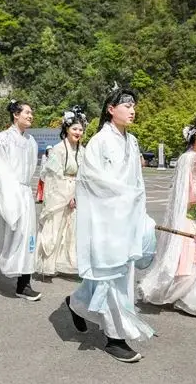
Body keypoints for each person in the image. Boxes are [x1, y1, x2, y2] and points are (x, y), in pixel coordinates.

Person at [65, 87, 157, 363]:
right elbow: (90, 180)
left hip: (127, 216)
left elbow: (138, 183)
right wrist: (123, 197)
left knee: (117, 277)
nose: (132, 110)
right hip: (106, 218)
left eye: (134, 106)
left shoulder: (133, 141)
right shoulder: (99, 142)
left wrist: (138, 208)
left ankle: (77, 303)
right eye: (126, 105)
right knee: (112, 277)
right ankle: (115, 338)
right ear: (110, 109)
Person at [137, 113, 196, 321]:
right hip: (189, 216)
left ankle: (190, 298)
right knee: (192, 257)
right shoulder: (188, 158)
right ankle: (180, 296)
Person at [0, 100, 42, 301]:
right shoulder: (3, 139)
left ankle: (24, 284)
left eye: (31, 113)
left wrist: (23, 194)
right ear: (15, 115)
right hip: (6, 192)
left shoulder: (32, 141)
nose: (30, 116)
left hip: (24, 193)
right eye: (27, 112)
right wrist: (9, 198)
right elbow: (0, 170)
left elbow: (30, 170)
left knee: (27, 236)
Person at [35, 106, 86, 277]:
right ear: (66, 129)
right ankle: (47, 263)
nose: (78, 132)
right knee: (55, 226)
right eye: (75, 129)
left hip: (75, 188)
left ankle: (64, 262)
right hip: (59, 190)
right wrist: (62, 196)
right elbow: (51, 177)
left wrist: (77, 195)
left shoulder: (82, 150)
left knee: (71, 229)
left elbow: (84, 174)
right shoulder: (58, 149)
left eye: (81, 129)